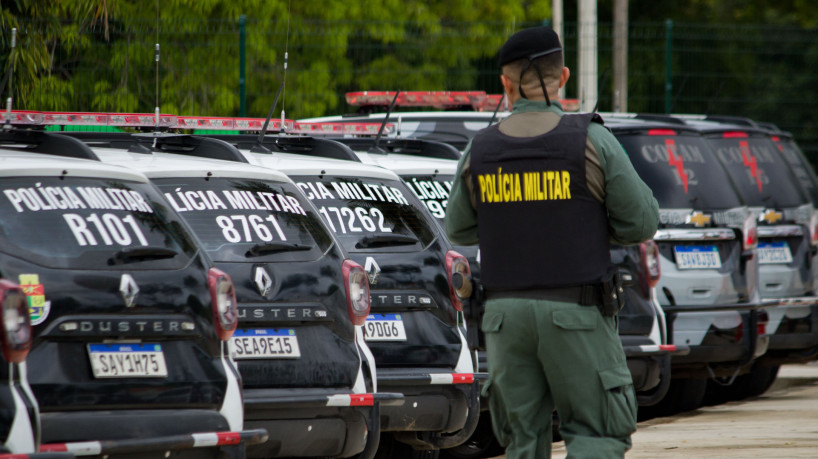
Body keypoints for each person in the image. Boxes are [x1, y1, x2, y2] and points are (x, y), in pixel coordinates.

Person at [444, 26, 659, 458]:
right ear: (562, 76)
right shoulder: (592, 140)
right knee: (596, 435)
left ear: (505, 85)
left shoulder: (480, 150)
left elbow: (459, 230)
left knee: (522, 442)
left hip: (504, 320)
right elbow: (641, 222)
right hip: (577, 313)